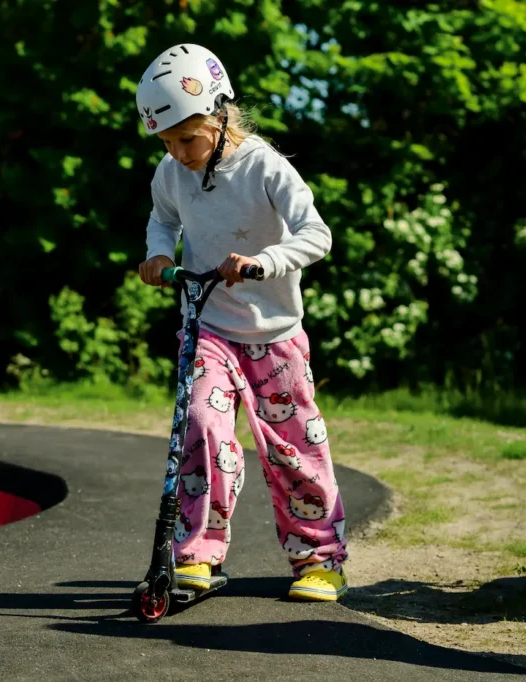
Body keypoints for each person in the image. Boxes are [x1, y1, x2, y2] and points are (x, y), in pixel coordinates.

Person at [135, 44, 348, 601]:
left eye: (187, 138)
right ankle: (197, 553)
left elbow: (317, 235)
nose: (177, 153)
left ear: (220, 112)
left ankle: (319, 559)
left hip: (274, 335)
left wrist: (262, 262)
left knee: (293, 449)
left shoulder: (265, 166)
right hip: (207, 328)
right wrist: (159, 255)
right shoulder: (172, 172)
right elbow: (163, 219)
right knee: (201, 428)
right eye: (167, 142)